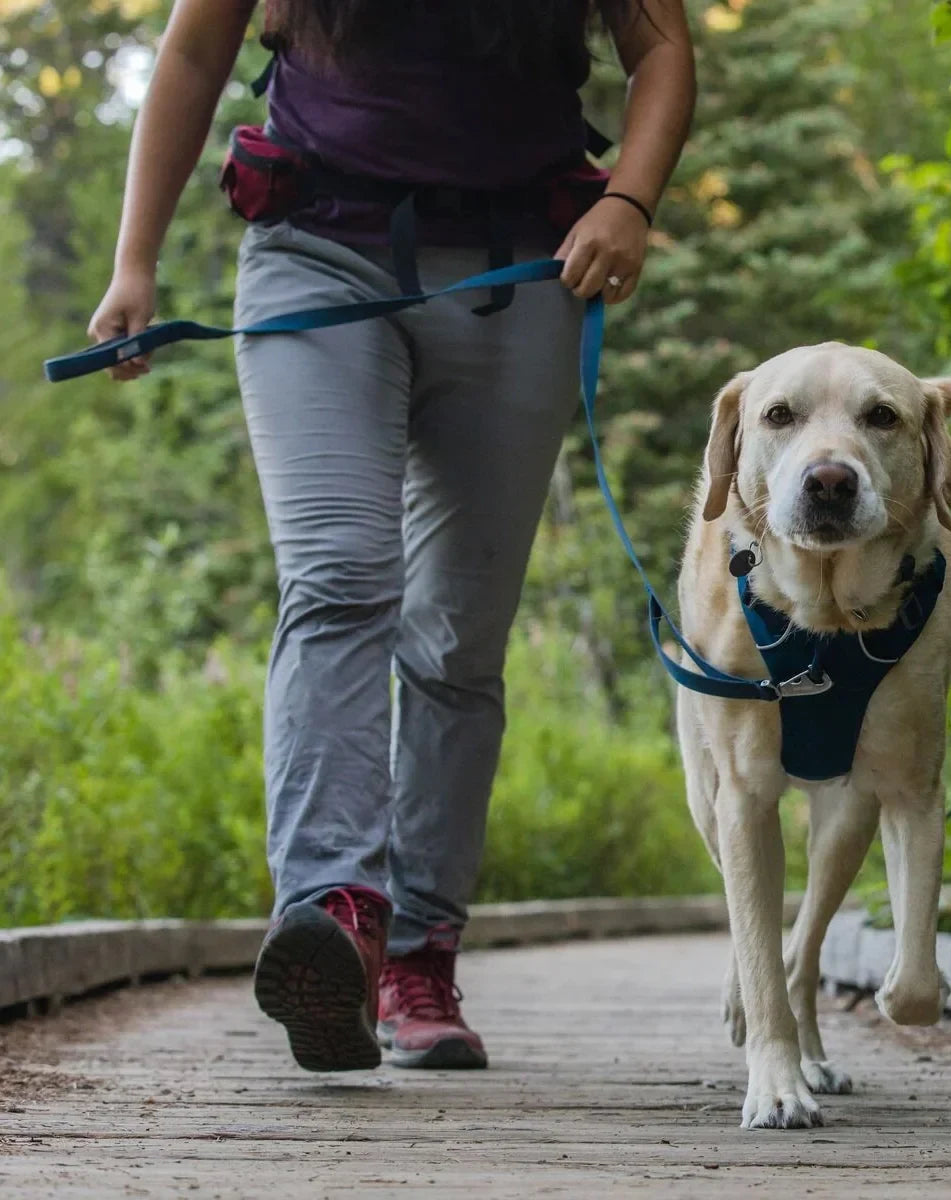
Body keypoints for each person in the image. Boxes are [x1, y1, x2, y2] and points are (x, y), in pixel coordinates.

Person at [88, 0, 695, 1073]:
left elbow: (662, 50)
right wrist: (134, 261)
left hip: (519, 273)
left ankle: (420, 952)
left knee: (461, 637)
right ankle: (336, 912)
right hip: (316, 254)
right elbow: (191, 47)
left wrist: (633, 200)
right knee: (336, 576)